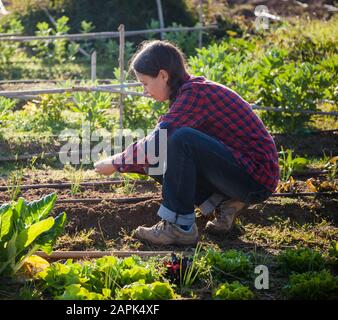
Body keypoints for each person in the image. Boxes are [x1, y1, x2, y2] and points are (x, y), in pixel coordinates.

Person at [94, 40, 279, 246]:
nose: (144, 91)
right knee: (158, 158)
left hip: (256, 177)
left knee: (179, 138)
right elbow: (156, 149)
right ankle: (225, 203)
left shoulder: (195, 95)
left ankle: (178, 227)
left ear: (163, 75)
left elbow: (158, 140)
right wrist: (129, 162)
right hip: (241, 171)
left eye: (145, 83)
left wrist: (116, 162)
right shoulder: (188, 94)